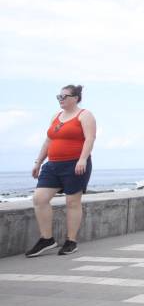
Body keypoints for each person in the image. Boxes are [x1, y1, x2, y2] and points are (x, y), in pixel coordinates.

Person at [26, 85, 96, 257]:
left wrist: (82, 159)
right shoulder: (56, 116)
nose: (61, 99)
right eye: (59, 96)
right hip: (52, 165)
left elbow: (90, 138)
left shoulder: (85, 115)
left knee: (72, 202)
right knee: (39, 199)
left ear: (76, 98)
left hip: (75, 164)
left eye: (64, 96)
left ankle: (71, 241)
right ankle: (47, 239)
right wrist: (38, 162)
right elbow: (48, 141)